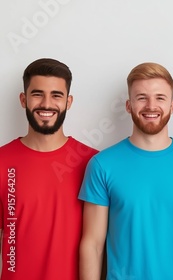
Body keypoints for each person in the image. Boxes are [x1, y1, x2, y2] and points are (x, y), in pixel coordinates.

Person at [78, 62, 173, 280]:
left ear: (172, 106)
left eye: (160, 98)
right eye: (142, 97)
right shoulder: (102, 164)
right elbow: (93, 244)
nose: (151, 106)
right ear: (128, 105)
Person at [0, 58, 98, 279]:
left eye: (56, 95)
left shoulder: (93, 163)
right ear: (23, 99)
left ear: (68, 102)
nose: (46, 103)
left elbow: (102, 243)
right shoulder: (2, 161)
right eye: (37, 94)